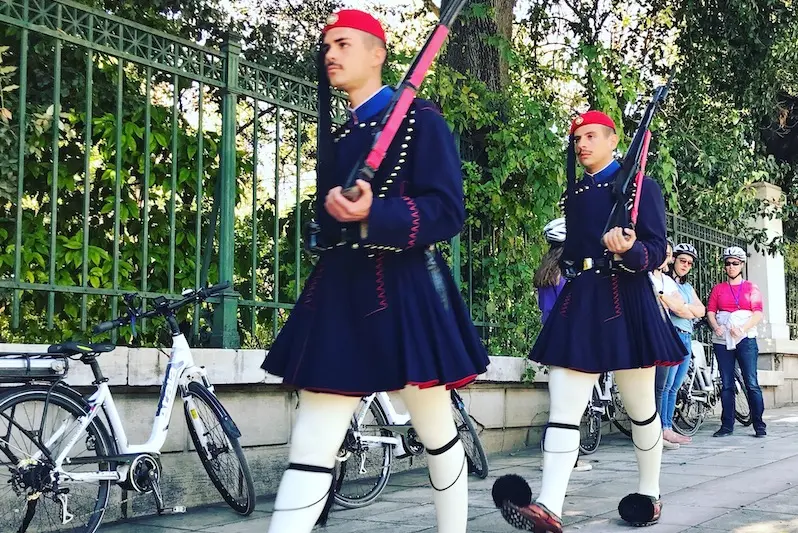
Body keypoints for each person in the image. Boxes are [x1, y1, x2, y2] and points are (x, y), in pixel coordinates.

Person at [261, 10, 490, 533]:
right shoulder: (342, 133)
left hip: (406, 291)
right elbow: (328, 218)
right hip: (341, 290)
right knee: (311, 442)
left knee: (436, 431)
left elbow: (447, 211)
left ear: (377, 54)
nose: (331, 55)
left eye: (343, 44)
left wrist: (375, 213)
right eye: (327, 47)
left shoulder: (422, 119)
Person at [493, 110, 686, 533]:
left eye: (591, 136)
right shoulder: (577, 192)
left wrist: (631, 250)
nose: (582, 144)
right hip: (581, 299)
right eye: (577, 137)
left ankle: (649, 494)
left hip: (627, 299)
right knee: (563, 409)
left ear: (613, 140)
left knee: (641, 410)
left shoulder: (643, 188)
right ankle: (548, 506)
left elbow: (657, 250)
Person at [534, 218, 592, 472]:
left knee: (558, 403)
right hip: (573, 340)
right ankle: (570, 458)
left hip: (552, 341)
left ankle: (552, 455)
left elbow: (545, 310)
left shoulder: (547, 273)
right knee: (572, 404)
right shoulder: (569, 274)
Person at [707, 246, 766, 438]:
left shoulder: (751, 288)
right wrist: (716, 326)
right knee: (726, 384)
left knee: (751, 382)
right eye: (728, 263)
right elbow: (710, 311)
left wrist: (742, 328)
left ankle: (759, 425)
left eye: (735, 263)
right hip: (723, 340)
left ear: (741, 265)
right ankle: (727, 425)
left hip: (745, 338)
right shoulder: (718, 289)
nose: (731, 267)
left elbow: (757, 313)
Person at [654, 242, 706, 448]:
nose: (686, 265)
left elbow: (701, 310)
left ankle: (668, 426)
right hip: (672, 334)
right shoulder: (666, 281)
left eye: (690, 263)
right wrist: (686, 309)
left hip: (686, 336)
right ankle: (663, 427)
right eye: (682, 260)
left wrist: (685, 308)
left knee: (675, 386)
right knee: (665, 386)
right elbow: (677, 311)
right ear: (673, 259)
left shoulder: (687, 287)